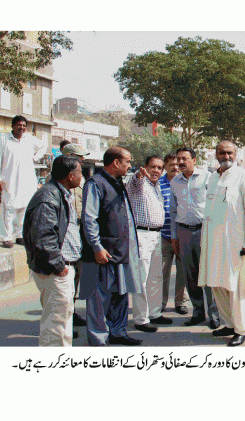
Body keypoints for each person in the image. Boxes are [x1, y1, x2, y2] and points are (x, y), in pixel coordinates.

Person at [79, 147, 145, 346]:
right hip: (104, 252)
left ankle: (118, 332)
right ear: (116, 162)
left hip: (121, 251)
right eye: (127, 162)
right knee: (99, 298)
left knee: (121, 295)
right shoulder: (95, 184)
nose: (130, 165)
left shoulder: (117, 183)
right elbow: (89, 219)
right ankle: (99, 338)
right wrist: (97, 246)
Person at [199, 141, 245, 347]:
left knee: (238, 288)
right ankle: (228, 323)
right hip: (214, 244)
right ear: (216, 154)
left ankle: (241, 329)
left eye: (229, 152)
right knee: (217, 285)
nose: (226, 155)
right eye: (222, 152)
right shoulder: (214, 177)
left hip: (237, 245)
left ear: (236, 155)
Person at [22, 155, 83, 346]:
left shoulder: (60, 193)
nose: (82, 176)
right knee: (55, 325)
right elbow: (43, 236)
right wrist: (58, 266)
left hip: (62, 269)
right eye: (80, 172)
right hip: (56, 271)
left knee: (63, 320)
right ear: (71, 176)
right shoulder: (48, 197)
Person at [169, 147, 220, 328]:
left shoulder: (208, 177)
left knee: (208, 274)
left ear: (194, 160)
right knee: (191, 275)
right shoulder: (175, 182)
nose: (181, 162)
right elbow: (173, 211)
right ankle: (198, 312)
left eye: (184, 158)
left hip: (204, 231)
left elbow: (216, 205)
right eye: (178, 159)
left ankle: (214, 314)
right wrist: (175, 237)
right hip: (184, 232)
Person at [126, 155, 173, 333]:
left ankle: (154, 313)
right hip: (141, 234)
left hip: (156, 235)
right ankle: (141, 318)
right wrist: (139, 175)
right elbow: (135, 182)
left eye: (160, 168)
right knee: (142, 278)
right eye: (152, 167)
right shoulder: (139, 183)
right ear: (145, 167)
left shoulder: (157, 186)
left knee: (155, 277)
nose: (156, 171)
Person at [0, 115, 47, 248]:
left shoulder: (29, 139)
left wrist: (35, 157)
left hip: (27, 179)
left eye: (23, 125)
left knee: (24, 208)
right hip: (9, 180)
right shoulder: (3, 140)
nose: (21, 127)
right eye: (18, 125)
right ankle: (7, 237)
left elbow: (43, 145)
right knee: (9, 209)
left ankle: (20, 235)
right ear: (12, 126)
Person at [61, 143, 90, 328]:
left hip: (79, 230)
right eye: (79, 156)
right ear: (70, 156)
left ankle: (71, 312)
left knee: (77, 275)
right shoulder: (59, 179)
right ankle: (64, 318)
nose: (83, 160)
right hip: (65, 232)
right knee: (65, 277)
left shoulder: (81, 179)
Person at [159, 153, 190, 314]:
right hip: (163, 236)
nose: (176, 167)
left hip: (182, 235)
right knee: (162, 272)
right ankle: (161, 302)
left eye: (178, 164)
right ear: (165, 165)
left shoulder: (184, 184)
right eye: (172, 164)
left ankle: (180, 302)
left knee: (182, 272)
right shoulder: (158, 184)